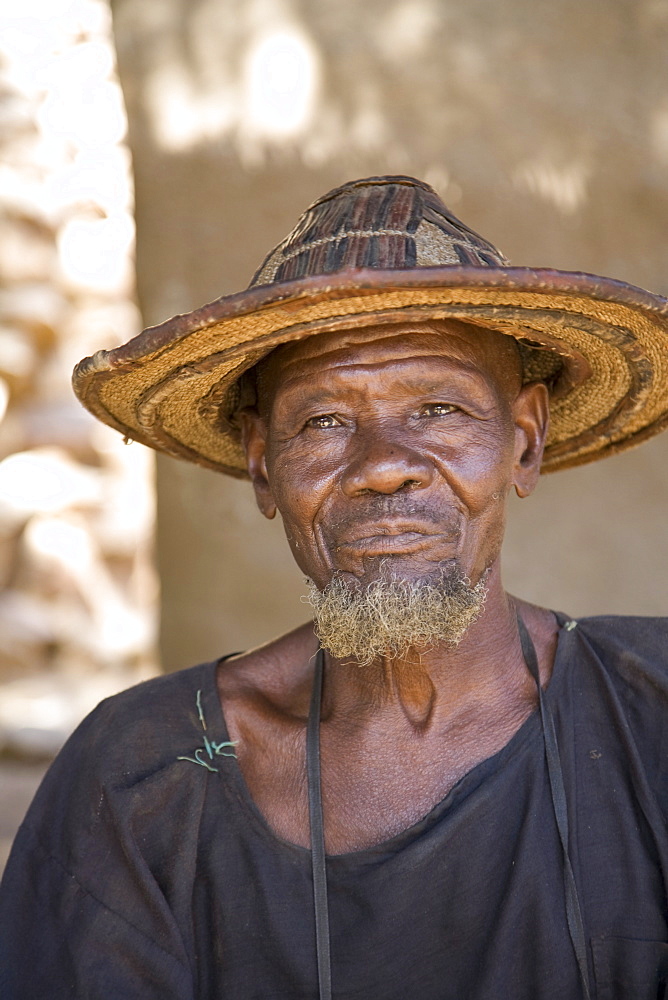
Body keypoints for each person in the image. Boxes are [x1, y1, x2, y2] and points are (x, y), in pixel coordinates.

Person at [2, 175, 668, 1000]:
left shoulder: (653, 714)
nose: (384, 465)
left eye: (437, 409)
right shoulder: (147, 779)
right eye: (324, 422)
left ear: (523, 443)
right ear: (263, 466)